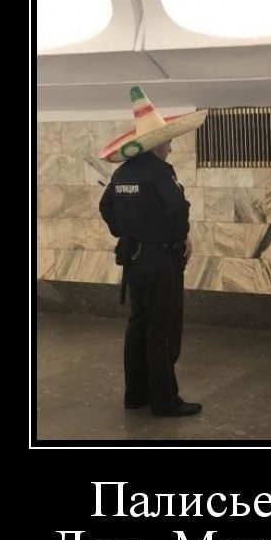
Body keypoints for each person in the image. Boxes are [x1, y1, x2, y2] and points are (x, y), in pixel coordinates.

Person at [98, 86, 207, 417]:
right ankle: (165, 401)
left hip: (134, 261)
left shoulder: (122, 173)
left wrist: (125, 233)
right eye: (168, 141)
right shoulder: (160, 172)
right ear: (157, 143)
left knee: (138, 325)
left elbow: (105, 207)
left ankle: (135, 395)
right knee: (163, 328)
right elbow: (178, 208)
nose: (170, 147)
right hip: (162, 260)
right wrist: (181, 238)